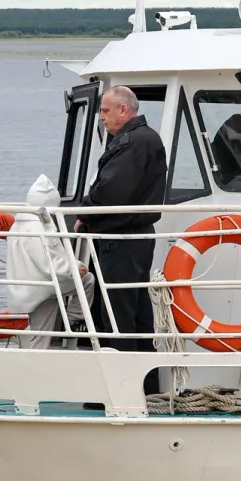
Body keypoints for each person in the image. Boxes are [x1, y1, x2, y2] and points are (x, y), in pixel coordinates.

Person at [77, 86, 167, 352]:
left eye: (105, 110)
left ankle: (125, 383)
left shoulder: (132, 142)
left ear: (123, 109)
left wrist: (84, 212)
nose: (101, 117)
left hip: (121, 241)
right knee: (138, 316)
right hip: (137, 237)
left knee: (117, 318)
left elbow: (110, 192)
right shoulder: (147, 139)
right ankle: (148, 386)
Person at [5, 175, 88, 349]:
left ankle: (73, 319)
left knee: (40, 331)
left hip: (27, 285)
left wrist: (74, 266)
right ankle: (74, 318)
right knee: (87, 281)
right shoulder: (37, 228)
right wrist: (74, 269)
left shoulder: (21, 223)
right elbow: (48, 262)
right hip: (42, 288)